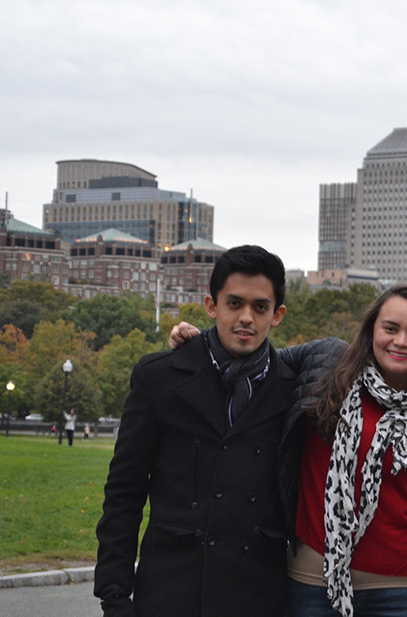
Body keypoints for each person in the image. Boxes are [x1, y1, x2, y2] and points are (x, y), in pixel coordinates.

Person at [171, 284, 407, 617]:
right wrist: (202, 344)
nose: (401, 341)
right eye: (390, 329)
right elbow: (253, 361)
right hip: (313, 583)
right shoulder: (326, 363)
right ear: (371, 331)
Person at [94, 245, 298, 617]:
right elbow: (124, 493)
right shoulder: (159, 378)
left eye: (260, 307)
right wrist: (114, 595)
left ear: (278, 314)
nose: (246, 318)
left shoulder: (294, 390)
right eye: (234, 304)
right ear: (211, 306)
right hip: (173, 589)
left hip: (257, 594)